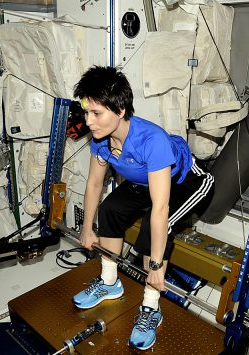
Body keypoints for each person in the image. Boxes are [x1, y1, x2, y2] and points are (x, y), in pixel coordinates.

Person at [72, 66, 214, 351]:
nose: (89, 121)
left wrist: (157, 267)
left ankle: (151, 307)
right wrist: (87, 230)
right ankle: (110, 281)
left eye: (96, 113)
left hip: (186, 181)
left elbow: (160, 208)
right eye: (87, 112)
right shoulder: (101, 140)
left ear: (120, 109)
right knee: (110, 208)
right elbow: (94, 186)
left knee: (153, 224)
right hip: (146, 180)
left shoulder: (152, 140)